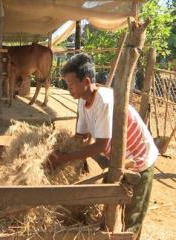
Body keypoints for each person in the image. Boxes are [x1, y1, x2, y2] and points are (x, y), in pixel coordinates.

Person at [45, 53, 158, 240]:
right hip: (117, 157)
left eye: (71, 84)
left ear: (86, 81)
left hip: (139, 158)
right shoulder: (82, 101)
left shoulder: (104, 102)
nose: (68, 88)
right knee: (108, 204)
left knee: (133, 217)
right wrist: (58, 149)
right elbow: (81, 137)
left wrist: (62, 159)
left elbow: (100, 145)